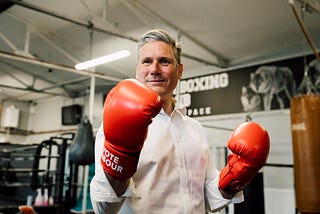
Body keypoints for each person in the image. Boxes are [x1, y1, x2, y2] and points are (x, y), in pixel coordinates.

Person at [90, 29, 270, 213]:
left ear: (179, 70)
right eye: (147, 62)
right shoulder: (116, 124)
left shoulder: (195, 129)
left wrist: (235, 177)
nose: (154, 69)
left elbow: (207, 198)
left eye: (164, 61)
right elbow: (104, 208)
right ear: (138, 71)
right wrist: (120, 160)